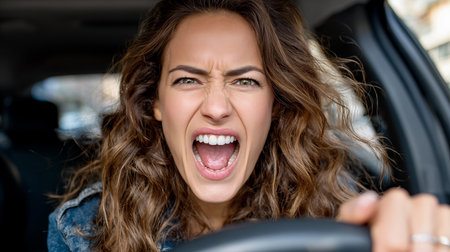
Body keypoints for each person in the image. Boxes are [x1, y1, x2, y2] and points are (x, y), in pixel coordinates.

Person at [47, 0, 450, 251]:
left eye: (246, 81)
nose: (217, 107)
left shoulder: (339, 217)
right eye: (188, 79)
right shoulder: (83, 229)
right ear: (155, 103)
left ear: (275, 105)